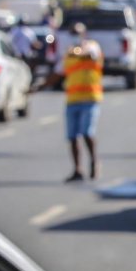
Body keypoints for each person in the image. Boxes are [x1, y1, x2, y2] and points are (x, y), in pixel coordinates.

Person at [49, 23, 103, 182]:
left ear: (84, 34)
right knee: (72, 137)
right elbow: (58, 73)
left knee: (87, 133)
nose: (74, 36)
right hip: (72, 99)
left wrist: (78, 49)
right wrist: (39, 86)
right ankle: (77, 169)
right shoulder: (69, 54)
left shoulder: (92, 47)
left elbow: (91, 54)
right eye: (72, 33)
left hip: (90, 98)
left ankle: (94, 161)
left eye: (77, 33)